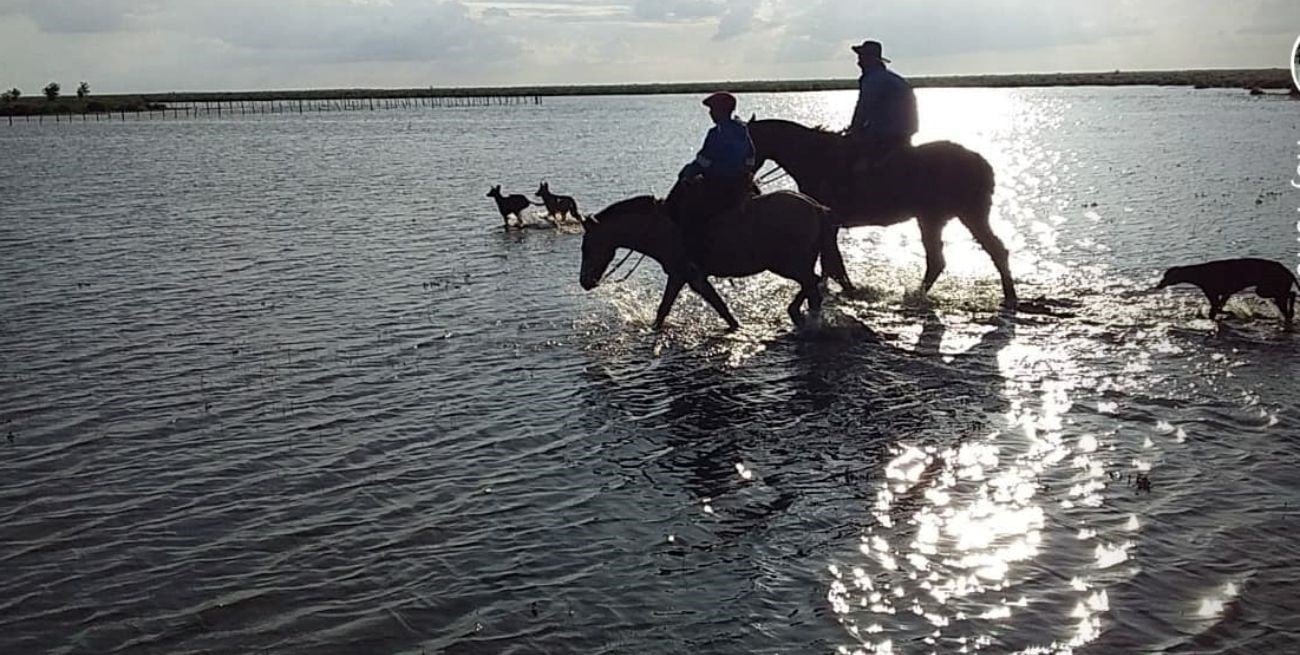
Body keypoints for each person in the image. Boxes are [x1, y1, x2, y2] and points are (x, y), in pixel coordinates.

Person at [664, 91, 756, 271]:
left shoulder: (716, 133)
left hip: (720, 186)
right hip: (740, 183)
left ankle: (695, 257)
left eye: (713, 110)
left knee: (690, 215)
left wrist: (686, 173)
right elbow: (751, 155)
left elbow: (704, 160)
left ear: (721, 111)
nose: (710, 113)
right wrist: (744, 172)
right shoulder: (742, 129)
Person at [846, 40, 917, 167]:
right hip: (904, 133)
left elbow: (863, 108)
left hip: (885, 136)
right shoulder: (892, 78)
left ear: (869, 59)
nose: (858, 62)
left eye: (861, 57)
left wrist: (854, 130)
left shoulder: (874, 79)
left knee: (850, 163)